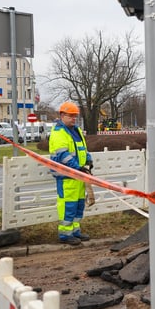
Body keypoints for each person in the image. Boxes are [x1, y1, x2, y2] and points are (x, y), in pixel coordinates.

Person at [48, 101, 93, 244]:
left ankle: (75, 231)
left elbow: (82, 149)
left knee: (78, 205)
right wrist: (78, 168)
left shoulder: (76, 130)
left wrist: (88, 160)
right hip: (67, 176)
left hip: (77, 175)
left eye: (75, 116)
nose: (74, 119)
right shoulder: (59, 132)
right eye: (71, 116)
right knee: (68, 206)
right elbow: (63, 155)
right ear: (62, 115)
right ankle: (65, 235)